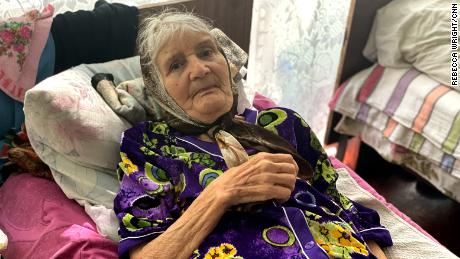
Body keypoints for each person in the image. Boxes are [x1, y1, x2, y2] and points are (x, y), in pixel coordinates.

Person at [114, 11, 392, 259]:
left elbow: (337, 200)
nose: (200, 69)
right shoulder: (149, 146)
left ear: (227, 62)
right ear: (159, 90)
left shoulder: (284, 123)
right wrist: (222, 192)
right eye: (175, 65)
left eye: (207, 52)